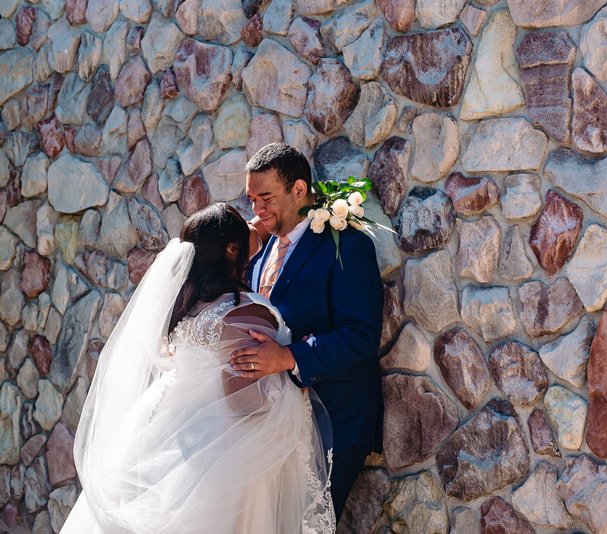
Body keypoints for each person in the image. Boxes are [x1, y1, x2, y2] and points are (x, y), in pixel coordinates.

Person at [62, 203, 335, 534]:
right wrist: (290, 369)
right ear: (231, 249)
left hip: (172, 434)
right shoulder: (245, 312)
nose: (253, 221)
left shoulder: (186, 306)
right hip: (223, 455)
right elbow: (246, 402)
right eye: (241, 225)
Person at [233, 143, 383, 519]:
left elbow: (361, 334)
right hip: (275, 424)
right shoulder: (263, 247)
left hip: (335, 418)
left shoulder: (346, 245)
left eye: (266, 197)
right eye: (251, 200)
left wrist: (287, 358)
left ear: (299, 189)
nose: (257, 210)